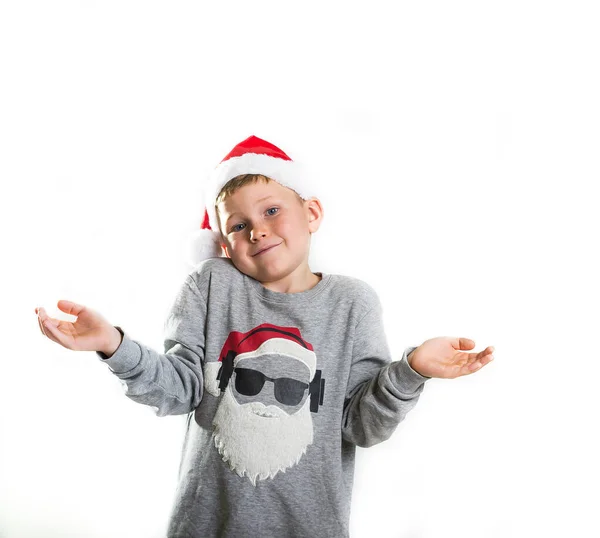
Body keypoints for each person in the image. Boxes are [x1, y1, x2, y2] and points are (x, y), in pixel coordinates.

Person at [35, 135, 495, 538]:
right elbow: (179, 389)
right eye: (237, 225)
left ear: (311, 212)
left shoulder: (353, 304)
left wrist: (410, 372)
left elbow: (360, 425)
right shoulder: (210, 285)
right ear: (222, 243)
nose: (257, 229)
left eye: (272, 210)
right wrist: (113, 344)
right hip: (204, 526)